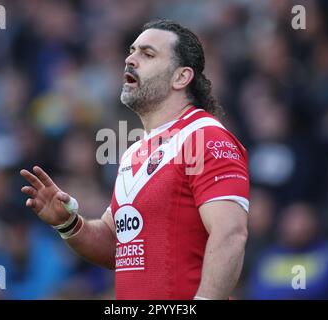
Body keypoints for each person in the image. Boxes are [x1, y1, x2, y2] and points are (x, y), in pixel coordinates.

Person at [20, 19, 250, 300]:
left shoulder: (205, 137)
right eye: (131, 50)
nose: (130, 59)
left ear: (181, 77)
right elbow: (119, 246)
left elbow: (231, 234)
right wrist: (69, 223)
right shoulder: (133, 153)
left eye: (148, 54)